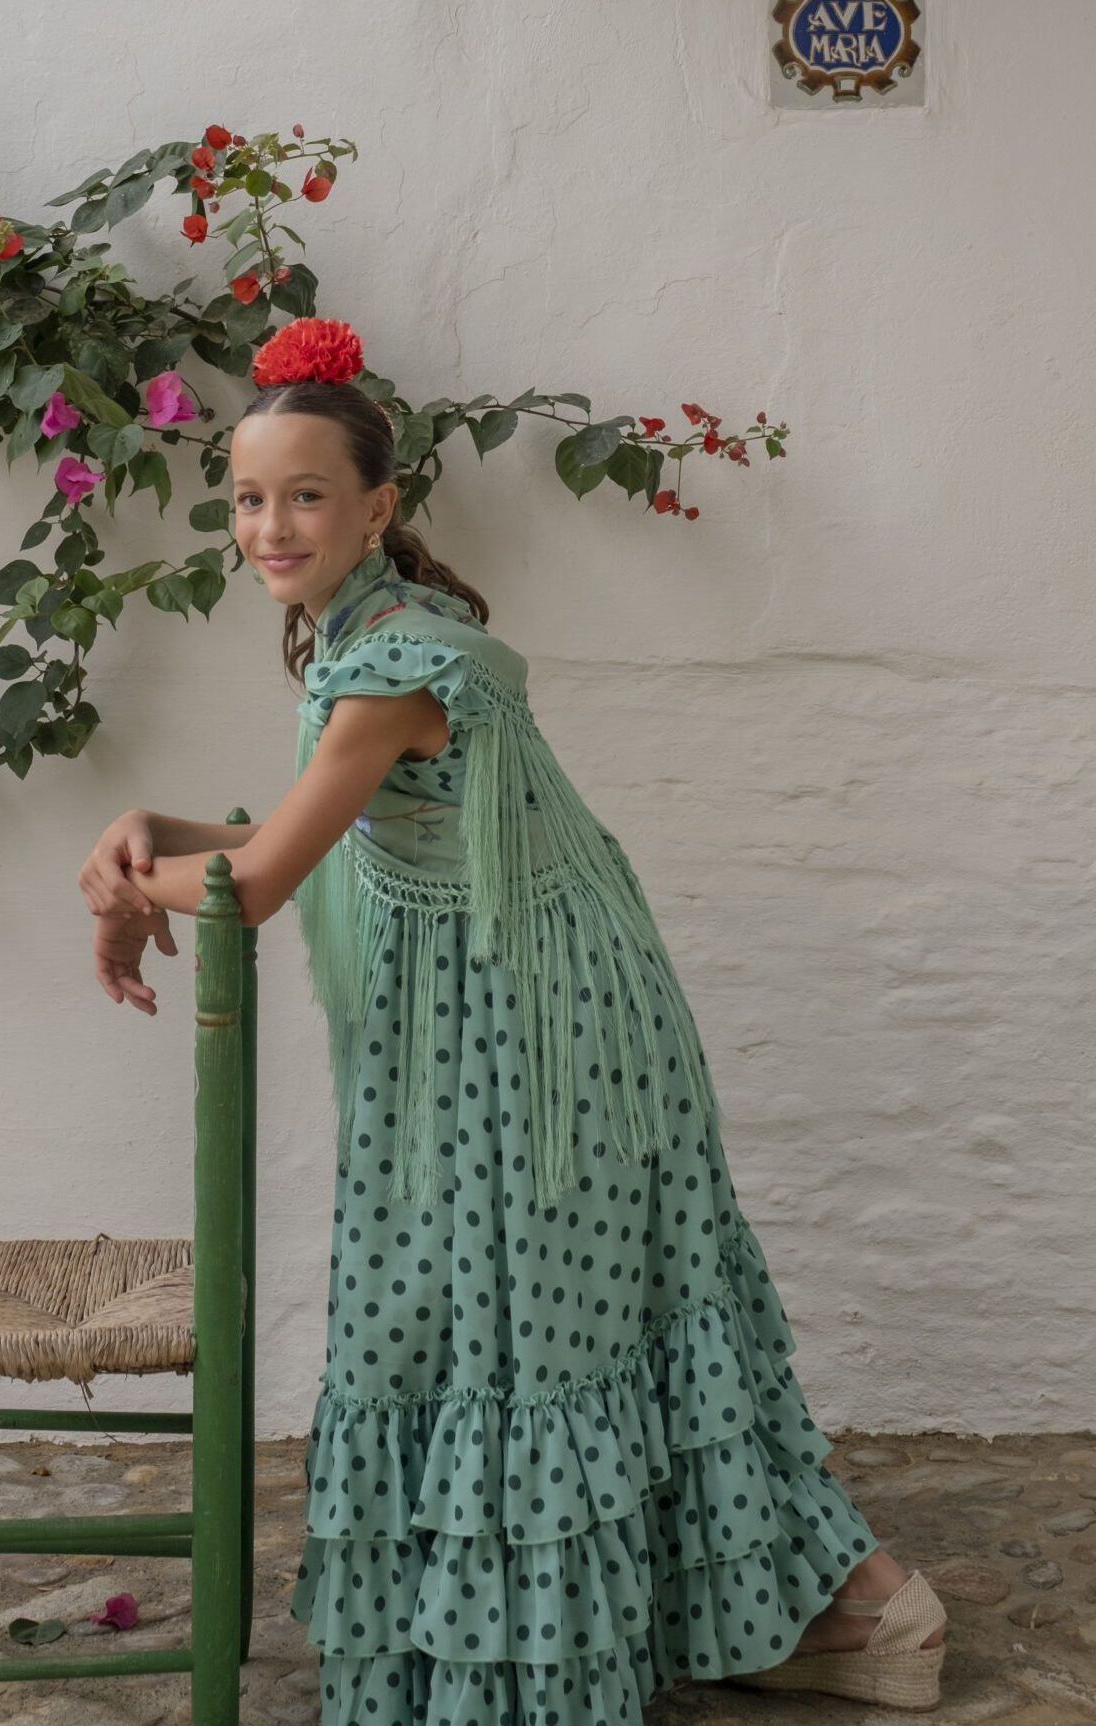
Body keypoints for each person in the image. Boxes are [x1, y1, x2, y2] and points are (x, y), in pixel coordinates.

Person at [78, 317, 948, 1722]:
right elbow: (286, 835)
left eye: (307, 494)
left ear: (379, 505)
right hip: (496, 988)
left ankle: (865, 1609)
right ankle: (796, 1607)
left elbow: (266, 876)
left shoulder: (401, 658)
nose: (273, 523)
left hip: (534, 1021)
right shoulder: (365, 639)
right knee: (548, 1310)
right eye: (248, 497)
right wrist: (141, 835)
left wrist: (126, 886)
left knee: (544, 1320)